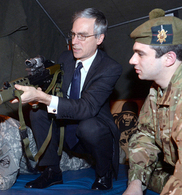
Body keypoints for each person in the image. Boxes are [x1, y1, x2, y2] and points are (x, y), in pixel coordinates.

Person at [11, 7, 122, 190]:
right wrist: (39, 93)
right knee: (38, 112)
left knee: (90, 127)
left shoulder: (110, 68)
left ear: (99, 39)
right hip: (66, 126)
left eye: (82, 36)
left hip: (92, 128)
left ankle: (104, 173)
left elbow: (87, 108)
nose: (75, 42)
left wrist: (43, 97)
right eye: (73, 35)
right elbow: (58, 91)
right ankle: (52, 171)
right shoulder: (66, 58)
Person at [123, 8, 182, 195]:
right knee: (149, 174)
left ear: (169, 59)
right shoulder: (157, 90)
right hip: (175, 169)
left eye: (140, 54)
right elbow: (146, 136)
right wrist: (135, 185)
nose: (132, 60)